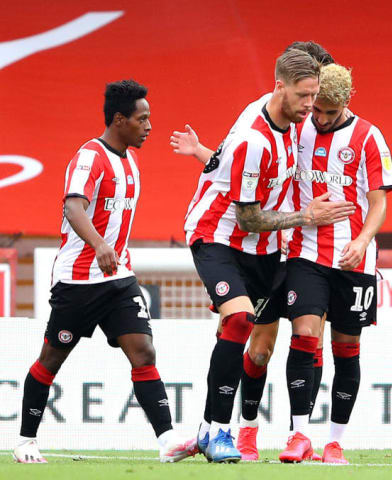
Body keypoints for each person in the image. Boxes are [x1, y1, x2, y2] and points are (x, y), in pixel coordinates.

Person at [180, 49, 354, 463]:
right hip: (219, 235)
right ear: (280, 87)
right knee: (239, 320)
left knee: (242, 336)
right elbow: (248, 216)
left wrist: (204, 152)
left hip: (265, 251)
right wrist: (306, 216)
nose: (311, 107)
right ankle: (224, 432)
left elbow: (224, 165)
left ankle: (207, 430)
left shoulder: (292, 120)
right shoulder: (254, 140)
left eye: (315, 97)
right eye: (304, 96)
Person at [12, 80, 197, 464]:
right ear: (119, 120)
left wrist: (110, 252)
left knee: (143, 353)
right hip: (78, 281)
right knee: (51, 358)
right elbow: (74, 208)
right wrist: (98, 245)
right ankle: (26, 440)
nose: (149, 126)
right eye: (142, 119)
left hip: (118, 279)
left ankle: (168, 441)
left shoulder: (130, 163)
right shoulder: (89, 157)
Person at [277, 62, 392, 464]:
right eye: (317, 110)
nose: (321, 118)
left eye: (330, 111)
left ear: (347, 102)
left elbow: (379, 204)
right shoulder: (298, 127)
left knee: (347, 347)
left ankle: (335, 441)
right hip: (306, 250)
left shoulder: (369, 137)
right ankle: (299, 434)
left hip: (353, 259)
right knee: (305, 334)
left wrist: (363, 241)